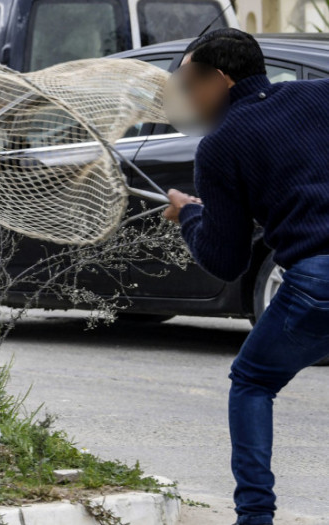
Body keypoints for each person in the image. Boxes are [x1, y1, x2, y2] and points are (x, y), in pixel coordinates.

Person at [161, 28, 329, 525]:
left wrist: (190, 215)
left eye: (191, 84)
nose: (189, 97)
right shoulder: (319, 94)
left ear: (221, 79)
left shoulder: (220, 145)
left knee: (252, 381)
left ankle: (254, 516)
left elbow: (226, 259)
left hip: (318, 280)